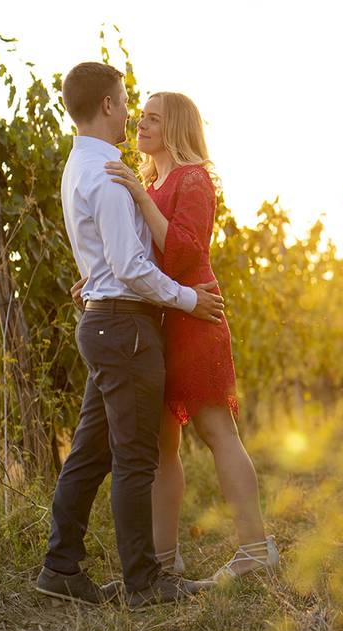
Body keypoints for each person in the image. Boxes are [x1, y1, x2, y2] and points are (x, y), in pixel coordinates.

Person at [36, 62, 224, 610]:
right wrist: (191, 299)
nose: (129, 110)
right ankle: (144, 582)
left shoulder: (79, 166)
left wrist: (96, 281)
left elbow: (106, 259)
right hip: (124, 326)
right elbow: (132, 266)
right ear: (109, 106)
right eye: (124, 100)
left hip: (102, 320)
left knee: (91, 453)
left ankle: (60, 566)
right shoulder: (111, 175)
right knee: (136, 458)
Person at [102, 91, 278, 584]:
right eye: (141, 116)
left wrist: (138, 194)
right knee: (163, 448)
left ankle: (255, 549)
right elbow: (140, 255)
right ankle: (163, 561)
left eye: (153, 119)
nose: (141, 124)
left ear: (177, 127)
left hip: (194, 319)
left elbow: (180, 252)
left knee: (218, 431)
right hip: (159, 320)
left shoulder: (193, 178)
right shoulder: (157, 180)